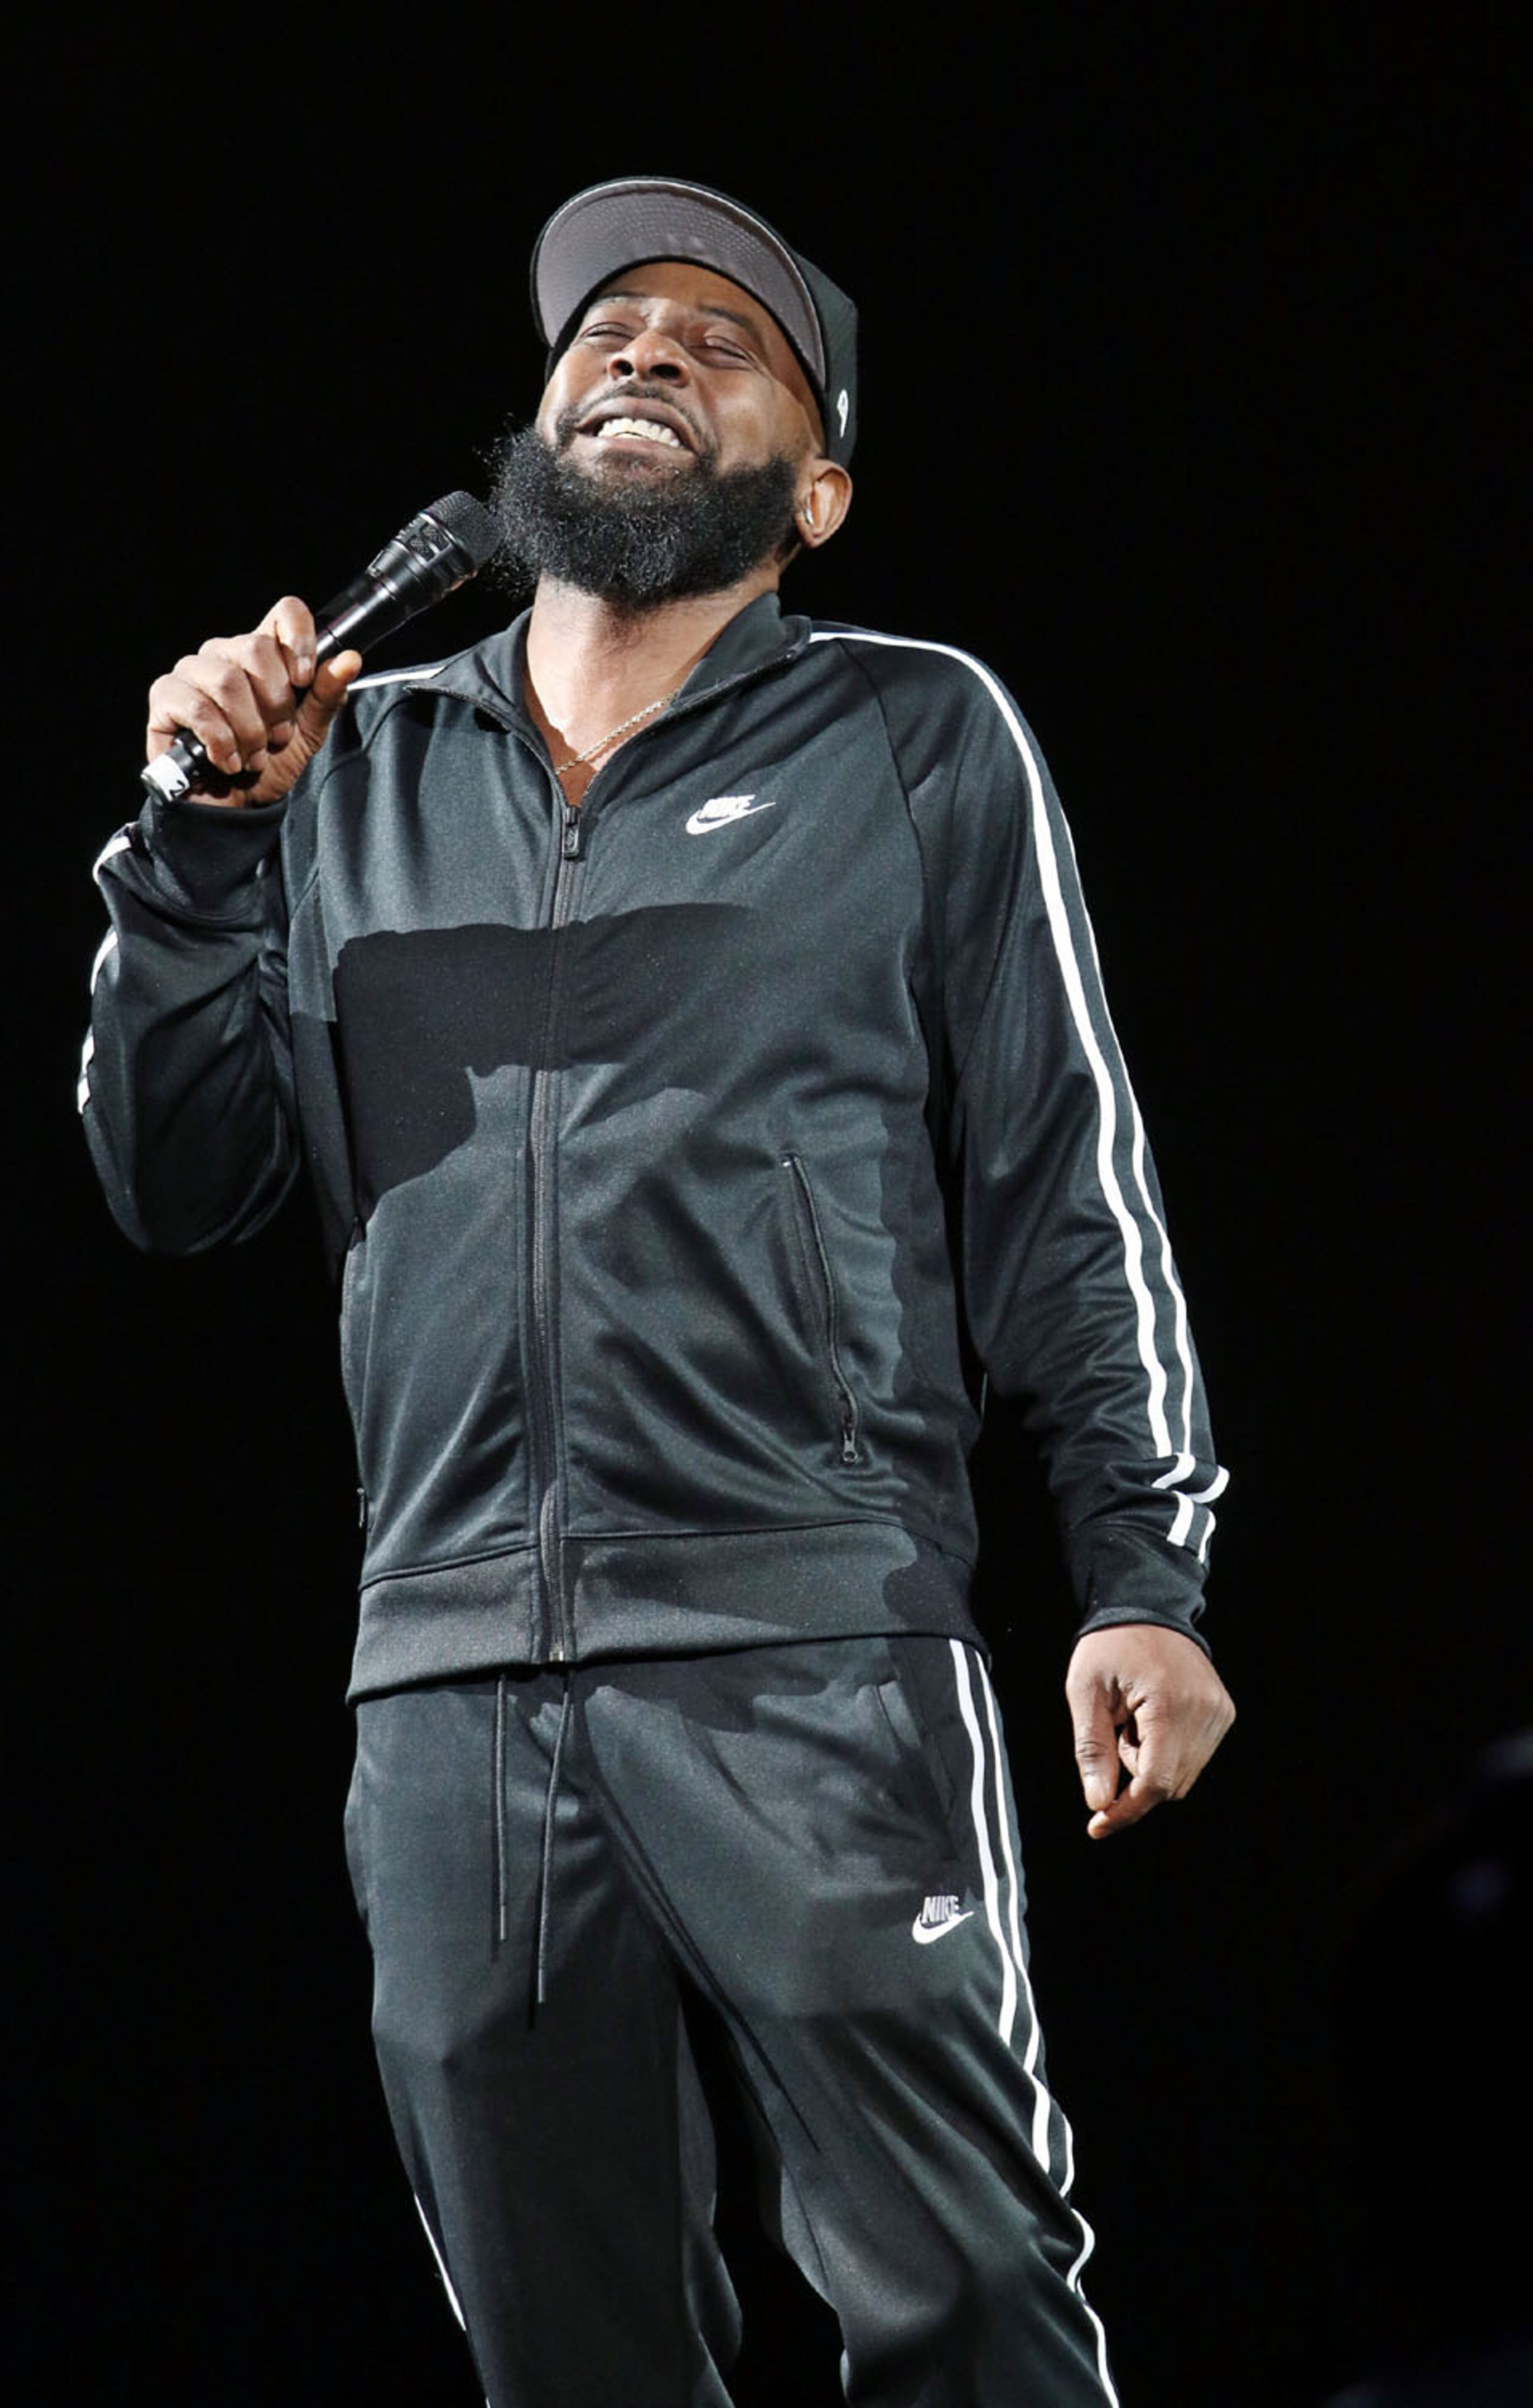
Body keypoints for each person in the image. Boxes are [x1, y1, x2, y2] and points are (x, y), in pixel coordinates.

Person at [80, 175, 1235, 2408]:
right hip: (445, 1679)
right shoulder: (355, 769)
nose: (642, 348)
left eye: (722, 338)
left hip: (811, 1644)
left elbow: (1064, 1181)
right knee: (566, 2359)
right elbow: (174, 1176)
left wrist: (1144, 1573)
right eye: (608, 324)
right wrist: (201, 850)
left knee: (976, 2304)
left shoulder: (918, 740)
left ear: (817, 490)